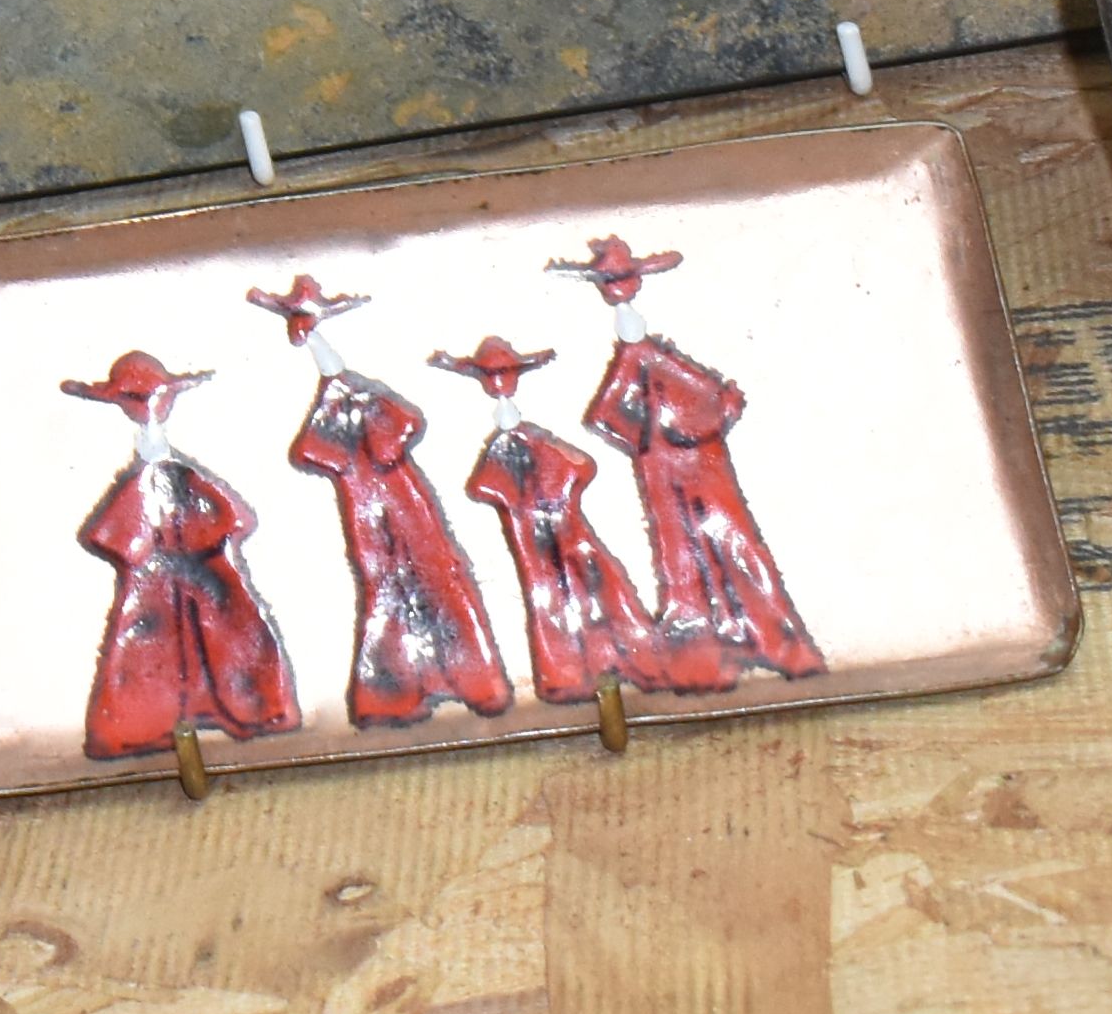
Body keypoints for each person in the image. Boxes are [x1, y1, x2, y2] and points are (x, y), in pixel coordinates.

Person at [558, 239, 816, 686]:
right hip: (671, 471)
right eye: (614, 285)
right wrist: (658, 440)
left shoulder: (656, 357)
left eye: (625, 282)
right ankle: (718, 634)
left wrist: (696, 424)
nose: (622, 293)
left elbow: (699, 403)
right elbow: (605, 416)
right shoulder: (638, 359)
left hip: (701, 468)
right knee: (687, 550)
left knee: (727, 542)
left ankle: (751, 629)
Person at [252, 274, 506, 726]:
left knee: (431, 573)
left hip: (400, 499)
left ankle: (464, 677)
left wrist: (374, 451)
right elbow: (310, 452)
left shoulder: (362, 398)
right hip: (370, 507)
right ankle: (401, 687)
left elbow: (401, 425)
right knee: (389, 584)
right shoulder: (333, 406)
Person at [62, 349, 293, 758]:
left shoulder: (184, 478)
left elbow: (234, 519)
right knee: (154, 648)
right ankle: (151, 721)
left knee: (223, 643)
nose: (148, 410)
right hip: (154, 586)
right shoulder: (150, 480)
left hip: (205, 577)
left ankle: (239, 708)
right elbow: (112, 536)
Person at [428, 338, 661, 704]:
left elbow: (581, 466)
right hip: (533, 544)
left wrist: (557, 496)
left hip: (566, 531)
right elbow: (482, 487)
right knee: (552, 603)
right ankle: (571, 670)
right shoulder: (504, 448)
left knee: (596, 587)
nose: (499, 387)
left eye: (503, 376)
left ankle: (624, 655)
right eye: (492, 377)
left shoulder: (534, 442)